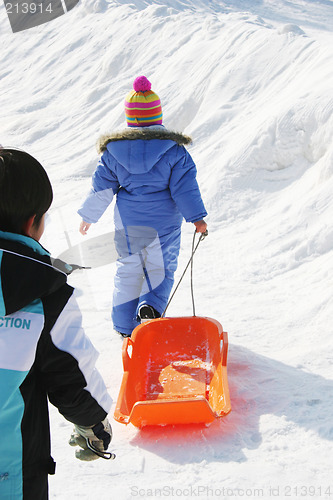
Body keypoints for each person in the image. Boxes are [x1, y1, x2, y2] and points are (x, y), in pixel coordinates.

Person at [0, 148, 113, 500]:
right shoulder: (41, 295)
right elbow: (71, 373)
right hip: (9, 474)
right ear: (32, 221)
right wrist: (94, 424)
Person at [78, 76, 208, 337]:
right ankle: (150, 308)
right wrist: (197, 218)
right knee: (160, 270)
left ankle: (125, 327)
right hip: (164, 227)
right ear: (158, 116)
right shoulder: (174, 151)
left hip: (129, 225)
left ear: (130, 119)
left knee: (128, 271)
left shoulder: (113, 152)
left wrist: (88, 216)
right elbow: (185, 188)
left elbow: (102, 188)